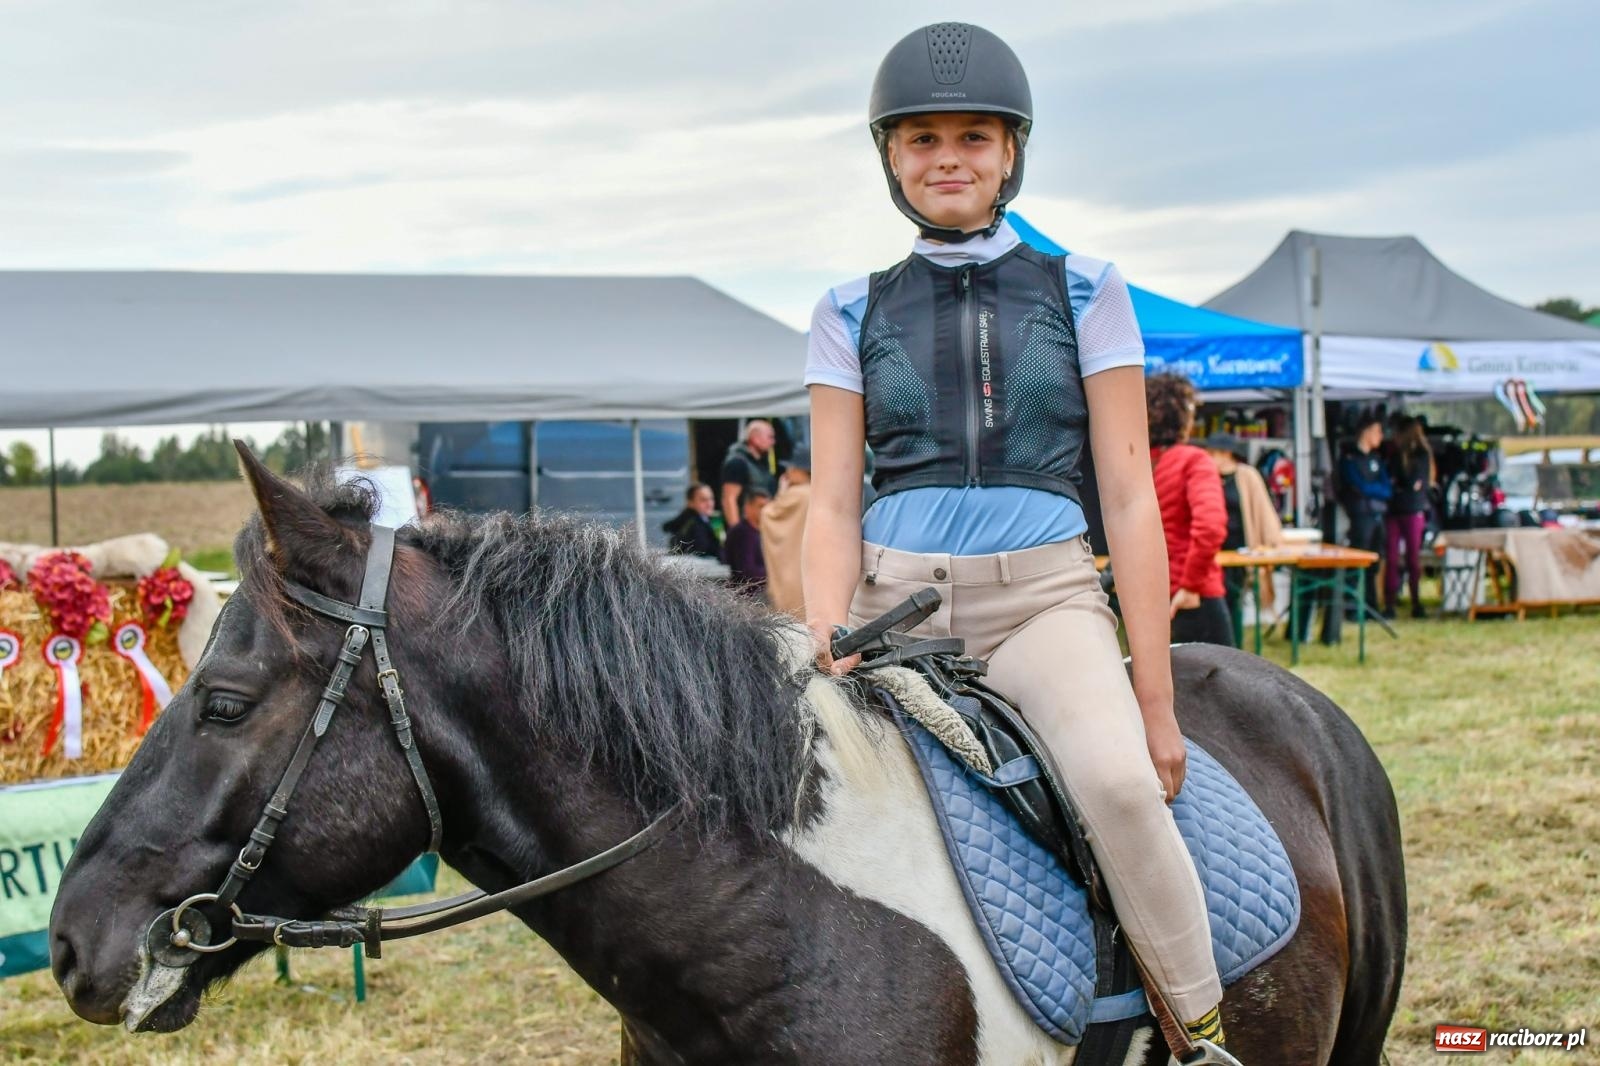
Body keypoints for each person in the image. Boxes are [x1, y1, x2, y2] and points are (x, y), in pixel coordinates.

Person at [800, 23, 1232, 1060]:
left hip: (1044, 604)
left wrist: (1154, 701)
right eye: (922, 139)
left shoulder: (1086, 287)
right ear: (890, 157)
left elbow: (1127, 496)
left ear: (1011, 154)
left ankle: (1202, 1032)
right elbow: (832, 503)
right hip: (897, 611)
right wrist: (825, 631)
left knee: (1119, 786)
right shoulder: (846, 310)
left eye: (973, 138)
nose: (947, 157)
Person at [1148, 378, 1234, 648]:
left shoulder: (1136, 463)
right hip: (1193, 595)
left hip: (1148, 595)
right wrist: (1191, 585)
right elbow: (1210, 527)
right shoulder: (1194, 460)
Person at [1202, 432, 1285, 632]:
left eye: (1212, 453)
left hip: (1240, 547)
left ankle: (1233, 636)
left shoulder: (1247, 475)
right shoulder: (1207, 477)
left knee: (1234, 597)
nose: (1209, 458)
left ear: (1226, 453)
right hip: (1213, 550)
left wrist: (1272, 542)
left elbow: (1262, 509)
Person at [1338, 412, 1391, 617]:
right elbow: (1358, 486)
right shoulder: (1349, 459)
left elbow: (1387, 489)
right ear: (1366, 432)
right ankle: (1351, 607)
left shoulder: (1376, 459)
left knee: (1374, 564)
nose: (1380, 436)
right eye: (1377, 431)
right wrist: (1373, 490)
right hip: (1360, 516)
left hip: (1377, 516)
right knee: (1356, 562)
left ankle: (1371, 605)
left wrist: (1372, 490)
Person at [1384, 416, 1435, 619]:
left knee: (1412, 558)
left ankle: (1415, 601)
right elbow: (1399, 481)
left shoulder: (1420, 455)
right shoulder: (1397, 456)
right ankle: (1390, 601)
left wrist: (1402, 485)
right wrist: (1405, 485)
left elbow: (1412, 481)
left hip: (1411, 510)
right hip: (1397, 510)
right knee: (1392, 558)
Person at [761, 446, 812, 619]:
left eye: (791, 467)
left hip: (793, 570)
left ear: (800, 470)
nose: (787, 472)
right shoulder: (817, 492)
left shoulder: (796, 495)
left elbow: (769, 514)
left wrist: (781, 493)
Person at [720, 420, 778, 528]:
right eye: (769, 437)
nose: (773, 442)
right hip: (747, 528)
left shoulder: (760, 463)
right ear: (755, 438)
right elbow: (729, 499)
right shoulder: (737, 462)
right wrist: (737, 531)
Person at [723, 486, 770, 595]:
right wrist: (774, 573)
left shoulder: (761, 531)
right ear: (748, 507)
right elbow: (747, 571)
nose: (765, 511)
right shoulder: (742, 533)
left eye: (767, 507)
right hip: (747, 595)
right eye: (761, 506)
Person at [661, 483, 723, 561]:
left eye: (711, 498)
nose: (709, 503)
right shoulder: (694, 522)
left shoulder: (711, 518)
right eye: (703, 500)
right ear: (691, 503)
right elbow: (704, 548)